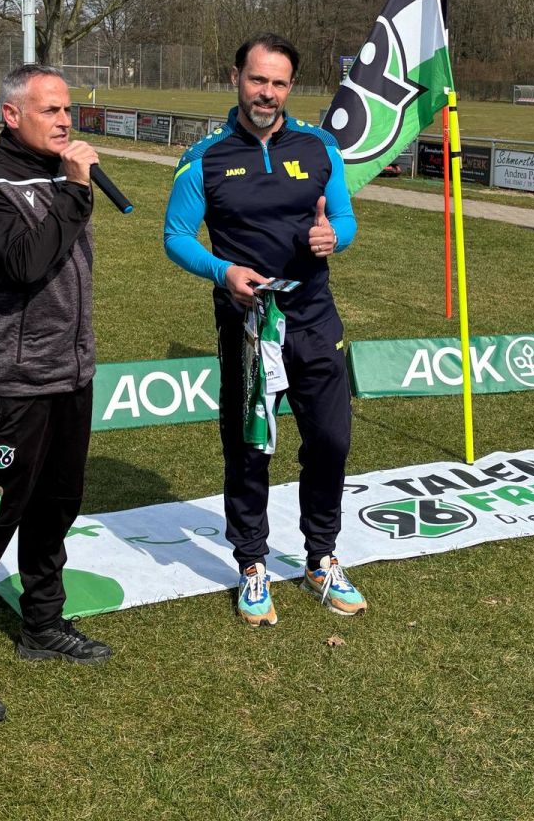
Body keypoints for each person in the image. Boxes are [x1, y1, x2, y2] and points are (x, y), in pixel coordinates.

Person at [164, 33, 367, 627]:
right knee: (251, 447)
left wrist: (335, 237)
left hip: (315, 319)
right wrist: (222, 271)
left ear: (290, 87)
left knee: (330, 441)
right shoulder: (205, 157)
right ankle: (251, 563)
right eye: (258, 79)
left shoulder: (320, 146)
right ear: (236, 78)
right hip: (248, 326)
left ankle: (321, 557)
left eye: (279, 83)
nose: (267, 93)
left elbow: (345, 217)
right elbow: (176, 237)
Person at [0, 63, 112, 726]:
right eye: (50, 110)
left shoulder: (63, 175)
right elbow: (22, 263)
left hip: (71, 375)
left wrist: (71, 188)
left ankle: (43, 623)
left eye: (68, 110)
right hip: (10, 386)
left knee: (55, 510)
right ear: (12, 114)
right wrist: (74, 192)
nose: (65, 121)